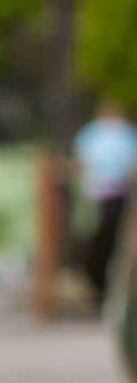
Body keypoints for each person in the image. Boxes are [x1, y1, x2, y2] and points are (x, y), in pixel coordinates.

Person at [74, 99, 137, 311]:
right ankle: (98, 289)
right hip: (97, 196)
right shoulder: (92, 133)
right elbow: (80, 163)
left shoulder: (127, 134)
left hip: (121, 197)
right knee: (96, 243)